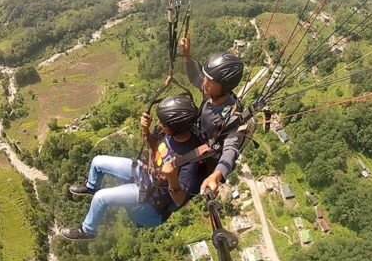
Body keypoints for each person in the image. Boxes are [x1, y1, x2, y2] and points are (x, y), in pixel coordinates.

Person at [60, 95, 203, 240]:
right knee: (98, 162)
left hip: (151, 199)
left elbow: (179, 200)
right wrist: (145, 129)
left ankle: (87, 230)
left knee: (100, 198)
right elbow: (152, 149)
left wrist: (172, 178)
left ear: (176, 127)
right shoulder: (168, 134)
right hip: (145, 173)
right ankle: (91, 186)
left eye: (163, 123)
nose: (159, 124)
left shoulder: (189, 158)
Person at [180, 36, 244, 194]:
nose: (204, 83)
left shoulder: (233, 116)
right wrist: (187, 56)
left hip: (207, 158)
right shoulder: (210, 93)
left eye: (210, 81)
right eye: (206, 78)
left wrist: (217, 174)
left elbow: (231, 149)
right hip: (196, 142)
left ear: (225, 86)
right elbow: (195, 77)